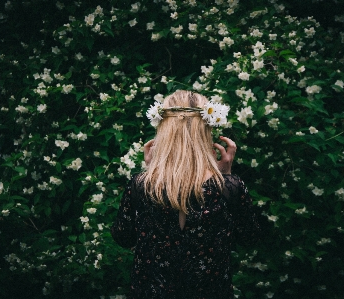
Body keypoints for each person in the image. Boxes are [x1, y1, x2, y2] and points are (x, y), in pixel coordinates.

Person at [111, 90, 261, 299]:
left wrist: (151, 173)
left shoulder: (141, 186)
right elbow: (249, 238)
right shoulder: (229, 188)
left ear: (164, 131)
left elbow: (123, 237)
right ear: (206, 130)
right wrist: (225, 178)